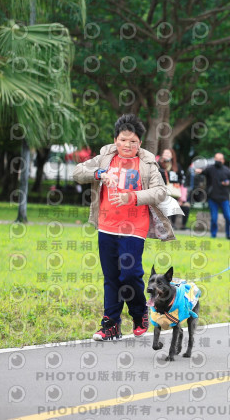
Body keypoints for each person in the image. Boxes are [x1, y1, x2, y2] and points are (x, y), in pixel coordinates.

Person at [73, 114, 176, 341]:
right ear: (115, 140)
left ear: (140, 143)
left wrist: (133, 196)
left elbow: (160, 192)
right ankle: (110, 325)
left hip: (134, 228)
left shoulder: (147, 163)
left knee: (129, 274)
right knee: (111, 277)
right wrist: (99, 173)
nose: (127, 145)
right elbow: (77, 172)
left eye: (133, 141)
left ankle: (140, 313)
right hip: (107, 226)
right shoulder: (105, 158)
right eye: (122, 140)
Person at [197, 153, 230, 240]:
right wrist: (199, 171)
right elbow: (202, 172)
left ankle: (229, 235)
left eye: (220, 159)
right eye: (217, 159)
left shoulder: (227, 170)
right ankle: (213, 235)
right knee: (214, 218)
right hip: (212, 198)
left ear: (223, 160)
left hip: (224, 198)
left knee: (228, 217)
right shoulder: (210, 168)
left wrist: (228, 183)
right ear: (214, 159)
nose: (218, 160)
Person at [158, 148, 190, 229]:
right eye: (165, 153)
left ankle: (173, 224)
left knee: (175, 204)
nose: (166, 155)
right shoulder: (159, 164)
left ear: (172, 155)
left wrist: (176, 183)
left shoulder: (176, 166)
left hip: (174, 190)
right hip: (162, 190)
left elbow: (182, 179)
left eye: (168, 153)